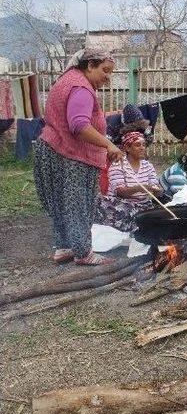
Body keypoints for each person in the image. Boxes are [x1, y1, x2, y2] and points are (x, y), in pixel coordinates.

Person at [34, 48, 123, 265]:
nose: (108, 78)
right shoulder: (81, 87)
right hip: (69, 156)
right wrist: (109, 144)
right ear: (90, 65)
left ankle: (64, 248)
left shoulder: (68, 80)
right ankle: (84, 253)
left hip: (54, 150)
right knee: (79, 203)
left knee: (63, 203)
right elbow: (79, 126)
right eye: (105, 71)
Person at [95, 132, 162, 232]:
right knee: (124, 211)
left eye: (144, 145)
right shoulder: (118, 166)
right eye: (137, 145)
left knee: (157, 215)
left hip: (143, 205)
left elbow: (156, 188)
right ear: (127, 148)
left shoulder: (148, 166)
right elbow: (120, 193)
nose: (142, 148)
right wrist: (141, 187)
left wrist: (157, 191)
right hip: (121, 204)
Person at [100, 104, 154, 194]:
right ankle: (109, 192)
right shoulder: (111, 125)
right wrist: (116, 155)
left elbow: (148, 140)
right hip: (114, 145)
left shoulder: (144, 126)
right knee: (112, 172)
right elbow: (105, 147)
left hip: (130, 147)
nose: (134, 130)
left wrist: (141, 150)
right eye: (132, 128)